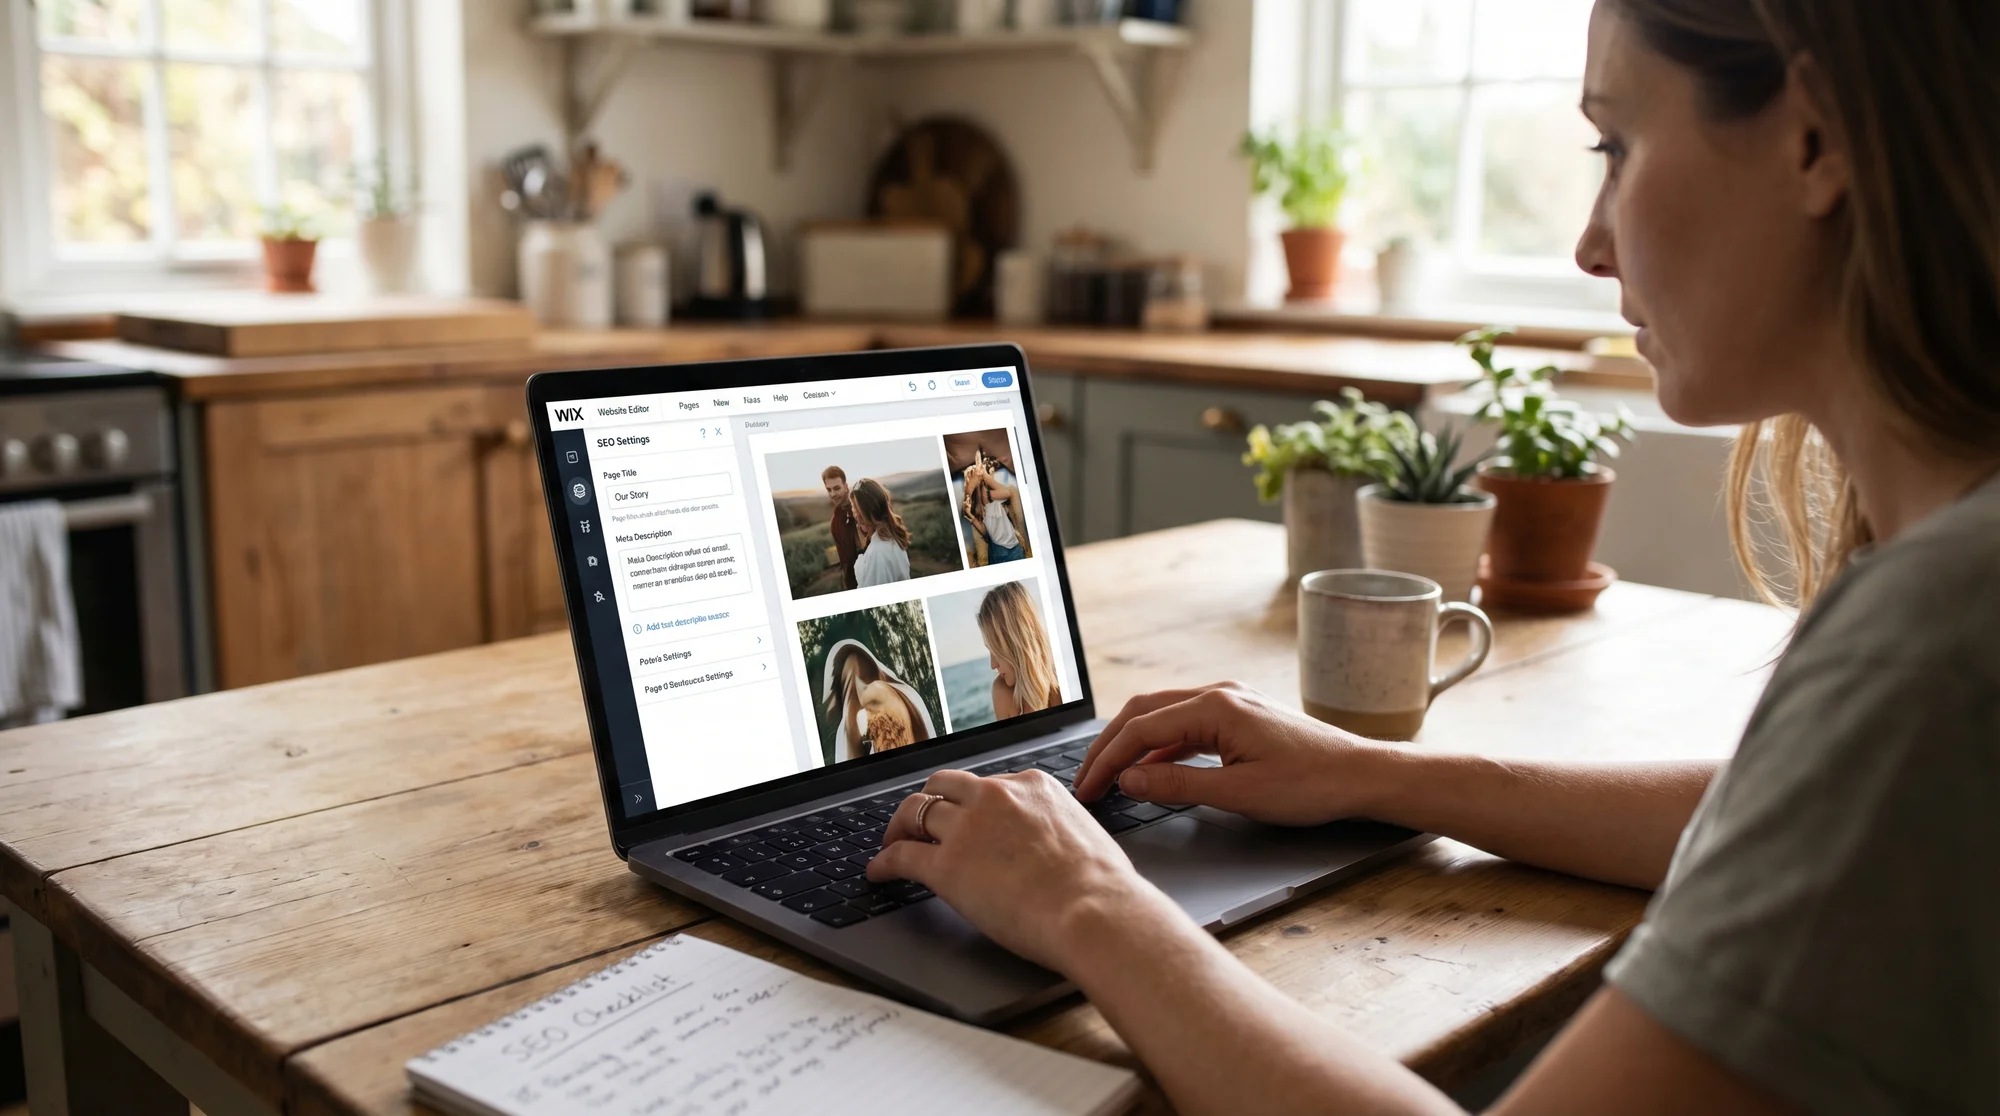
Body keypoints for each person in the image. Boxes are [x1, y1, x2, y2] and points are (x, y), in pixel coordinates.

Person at [864, 2, 2000, 1113]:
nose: (1588, 241)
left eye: (1616, 145)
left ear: (1814, 137)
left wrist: (1087, 905)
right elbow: (1787, 821)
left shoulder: (1937, 644)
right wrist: (1378, 775)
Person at [823, 640, 935, 761]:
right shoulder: (895, 697)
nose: (857, 690)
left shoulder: (880, 691)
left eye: (862, 677)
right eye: (848, 685)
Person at [976, 581, 1060, 719]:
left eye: (996, 650)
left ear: (1016, 642)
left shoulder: (1064, 680)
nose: (993, 665)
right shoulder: (1003, 691)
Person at [962, 456, 1026, 565]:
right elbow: (1008, 493)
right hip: (1010, 548)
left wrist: (971, 518)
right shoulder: (988, 496)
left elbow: (985, 532)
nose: (992, 474)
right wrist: (986, 476)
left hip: (995, 549)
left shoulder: (978, 504)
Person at [850, 478, 913, 588]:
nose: (854, 514)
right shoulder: (893, 538)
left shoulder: (877, 552)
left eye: (856, 508)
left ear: (867, 512)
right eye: (853, 507)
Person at [822, 465, 860, 591]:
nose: (833, 494)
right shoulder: (835, 522)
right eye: (829, 490)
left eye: (837, 488)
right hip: (853, 582)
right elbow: (845, 559)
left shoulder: (861, 509)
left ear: (846, 486)